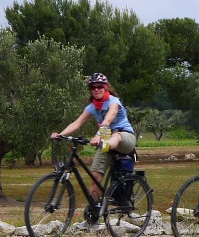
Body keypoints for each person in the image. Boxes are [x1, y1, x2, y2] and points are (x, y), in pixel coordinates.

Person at [52, 73, 137, 216]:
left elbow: (107, 121)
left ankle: (106, 144)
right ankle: (94, 212)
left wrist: (98, 136)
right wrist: (61, 135)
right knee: (95, 178)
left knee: (115, 136)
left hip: (124, 137)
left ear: (105, 87)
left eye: (99, 87)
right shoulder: (92, 107)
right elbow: (77, 123)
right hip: (105, 140)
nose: (96, 89)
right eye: (93, 87)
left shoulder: (114, 102)